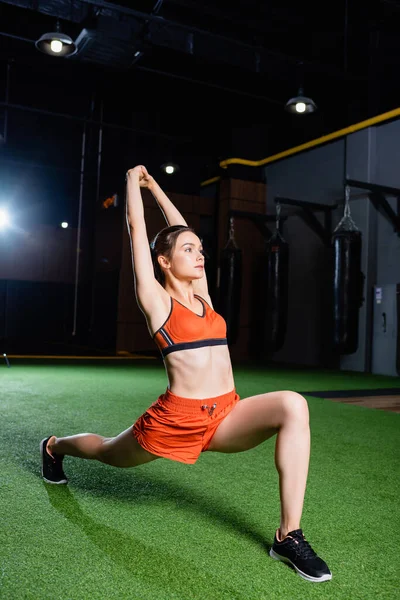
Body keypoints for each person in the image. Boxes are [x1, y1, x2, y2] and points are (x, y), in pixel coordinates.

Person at [41, 165, 332, 583]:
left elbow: (178, 227)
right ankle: (54, 446)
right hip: (176, 421)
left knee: (293, 403)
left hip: (225, 415)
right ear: (164, 261)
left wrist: (156, 185)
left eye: (200, 250)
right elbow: (138, 230)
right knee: (108, 452)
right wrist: (130, 182)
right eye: (189, 251)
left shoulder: (203, 296)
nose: (199, 255)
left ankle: (288, 535)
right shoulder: (156, 300)